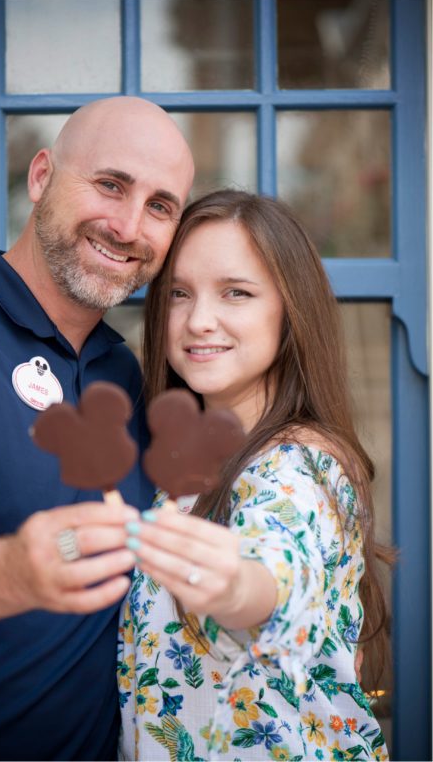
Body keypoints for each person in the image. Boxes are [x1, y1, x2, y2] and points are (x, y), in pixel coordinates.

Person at [0, 96, 195, 760]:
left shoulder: (125, 374)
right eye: (110, 185)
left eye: (160, 206)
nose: (129, 226)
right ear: (41, 176)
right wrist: (14, 569)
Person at [118, 190, 390, 760]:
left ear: (291, 311)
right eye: (179, 294)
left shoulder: (296, 464)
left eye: (235, 293)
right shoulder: (187, 466)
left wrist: (236, 585)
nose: (198, 320)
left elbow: (271, 567)